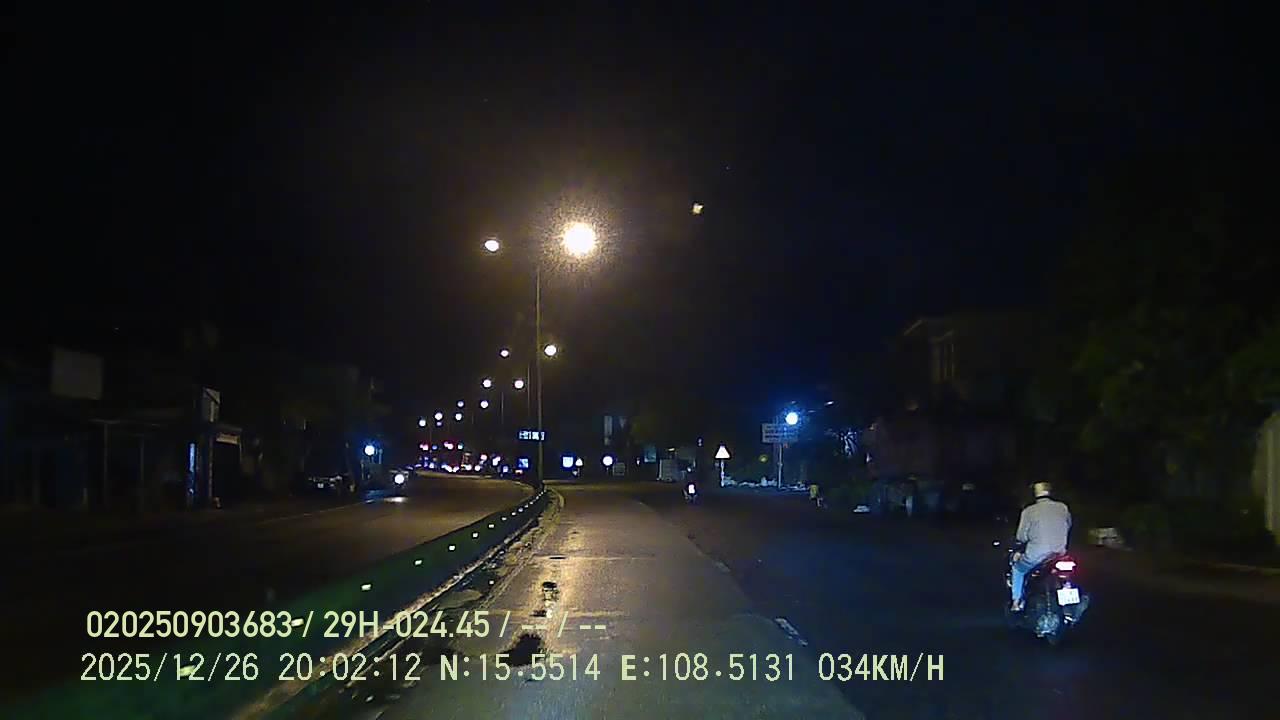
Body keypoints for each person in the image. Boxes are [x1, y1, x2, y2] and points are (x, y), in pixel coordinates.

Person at [1010, 481, 1071, 612]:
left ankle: (1017, 602)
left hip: (1037, 555)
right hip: (1060, 554)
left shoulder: (1029, 511)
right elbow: (1068, 525)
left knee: (1018, 569)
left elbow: (1021, 536)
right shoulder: (1063, 507)